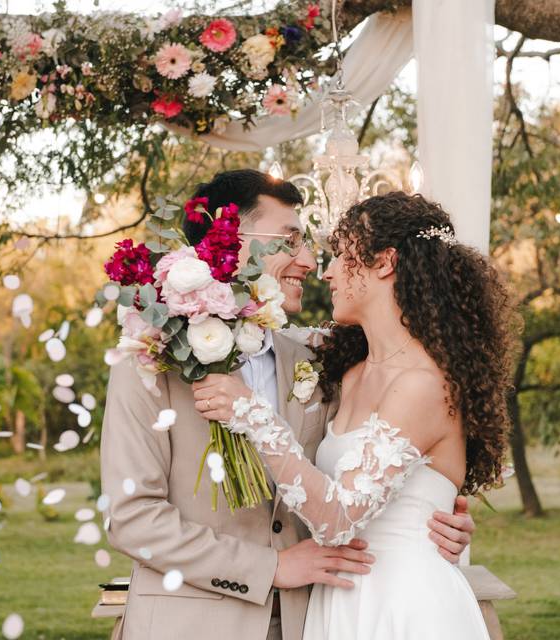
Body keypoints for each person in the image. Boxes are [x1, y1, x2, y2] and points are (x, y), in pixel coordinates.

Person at [101, 171, 476, 640]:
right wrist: (269, 567)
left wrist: (435, 510)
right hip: (190, 624)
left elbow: (386, 461)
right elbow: (133, 517)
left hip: (312, 620)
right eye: (290, 240)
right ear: (228, 241)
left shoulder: (325, 360)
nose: (309, 261)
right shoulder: (150, 363)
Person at [194, 192, 513, 638]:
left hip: (404, 605)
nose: (326, 271)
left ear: (384, 263)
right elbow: (260, 338)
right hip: (339, 600)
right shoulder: (346, 368)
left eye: (342, 255)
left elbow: (338, 518)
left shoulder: (424, 385)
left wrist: (252, 415)